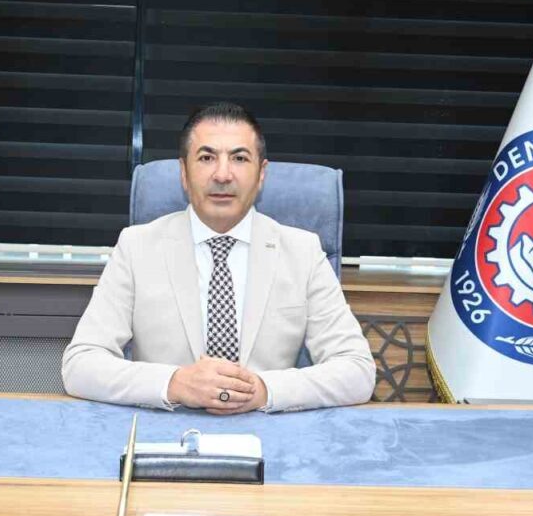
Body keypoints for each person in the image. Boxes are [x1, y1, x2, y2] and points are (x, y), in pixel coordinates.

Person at [61, 102, 375, 413]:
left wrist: (264, 391)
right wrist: (175, 384)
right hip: (167, 430)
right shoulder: (136, 247)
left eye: (239, 158)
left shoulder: (302, 252)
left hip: (268, 430)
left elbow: (357, 371)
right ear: (184, 173)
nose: (223, 174)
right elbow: (80, 365)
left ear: (261, 174)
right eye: (207, 157)